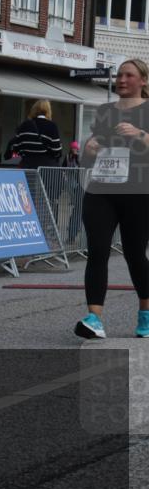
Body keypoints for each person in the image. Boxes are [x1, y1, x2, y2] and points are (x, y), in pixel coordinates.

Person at [74, 58, 149, 339]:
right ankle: (95, 318)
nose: (122, 79)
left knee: (134, 254)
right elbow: (87, 158)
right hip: (101, 190)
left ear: (143, 80)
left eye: (129, 75)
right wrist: (89, 147)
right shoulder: (105, 111)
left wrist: (140, 134)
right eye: (119, 75)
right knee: (97, 251)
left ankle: (145, 312)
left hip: (139, 192)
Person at [5, 100, 62, 169]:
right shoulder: (52, 126)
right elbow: (57, 151)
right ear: (49, 111)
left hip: (27, 167)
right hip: (45, 169)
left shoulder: (24, 125)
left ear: (33, 110)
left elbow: (16, 147)